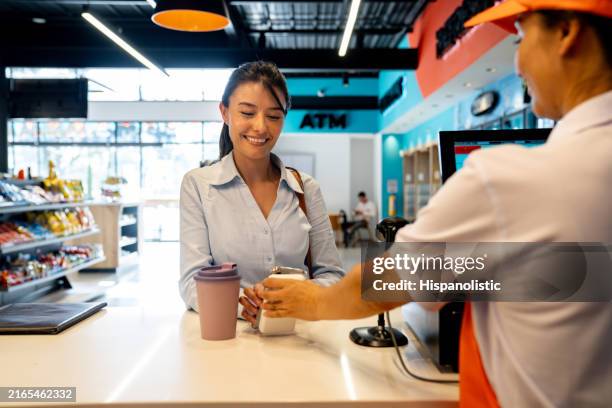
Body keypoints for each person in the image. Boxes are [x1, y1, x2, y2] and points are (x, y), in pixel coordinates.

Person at [260, 1, 612, 407]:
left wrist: (313, 301)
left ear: (567, 33)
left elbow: (390, 281)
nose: (517, 63)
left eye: (521, 35)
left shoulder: (507, 180)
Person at [179, 61, 344, 325]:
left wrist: (296, 297)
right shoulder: (198, 185)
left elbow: (332, 274)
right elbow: (192, 282)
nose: (260, 127)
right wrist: (247, 303)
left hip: (298, 338)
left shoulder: (306, 189)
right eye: (247, 113)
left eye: (273, 116)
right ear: (224, 112)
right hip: (226, 339)